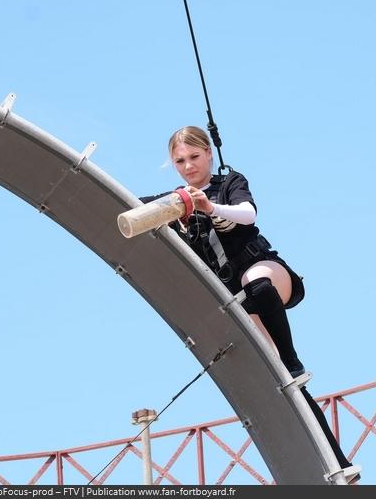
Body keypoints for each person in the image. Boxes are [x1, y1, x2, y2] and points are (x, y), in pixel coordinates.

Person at [144, 126, 359, 483]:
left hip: (267, 275)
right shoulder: (174, 199)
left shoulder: (229, 182)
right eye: (180, 161)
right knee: (279, 380)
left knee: (256, 286)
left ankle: (292, 360)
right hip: (237, 299)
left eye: (195, 157)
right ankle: (337, 460)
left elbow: (248, 214)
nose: (188, 166)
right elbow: (133, 205)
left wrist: (208, 206)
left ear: (209, 154)